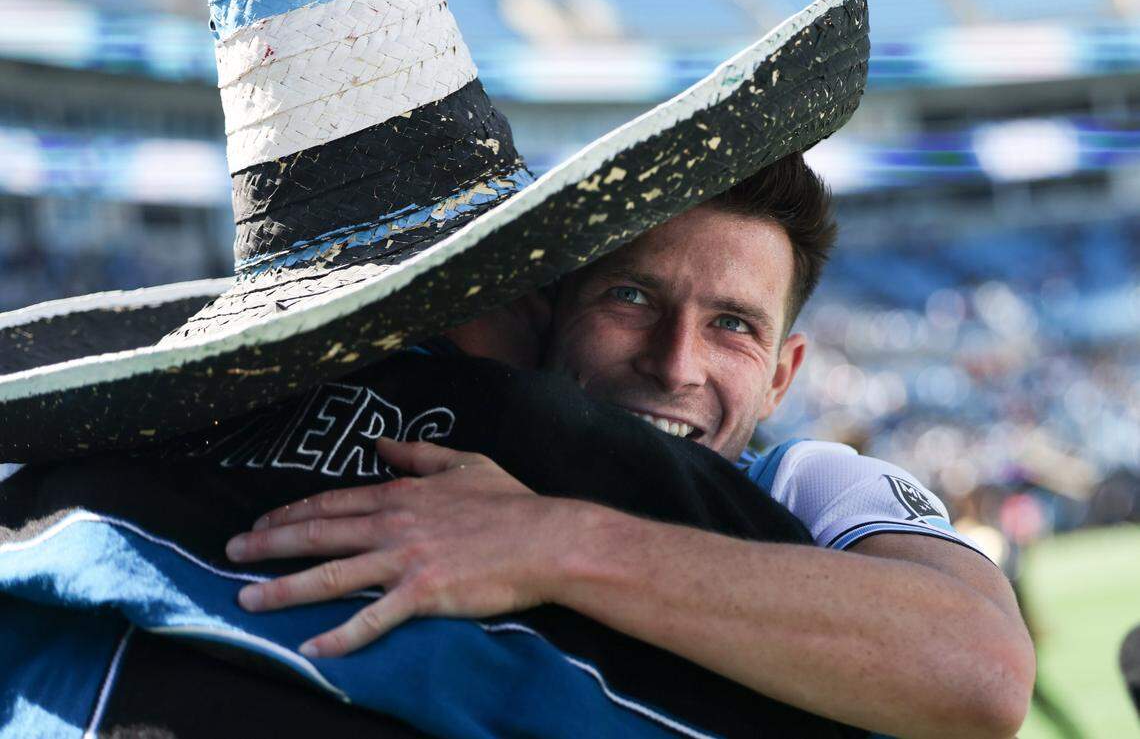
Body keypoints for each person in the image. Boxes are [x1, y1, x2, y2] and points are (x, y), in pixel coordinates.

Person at [223, 153, 1036, 738]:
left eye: (733, 325)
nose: (675, 362)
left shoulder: (807, 486)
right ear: (552, 314)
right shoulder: (422, 455)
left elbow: (986, 674)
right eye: (631, 295)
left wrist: (545, 543)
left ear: (782, 376)